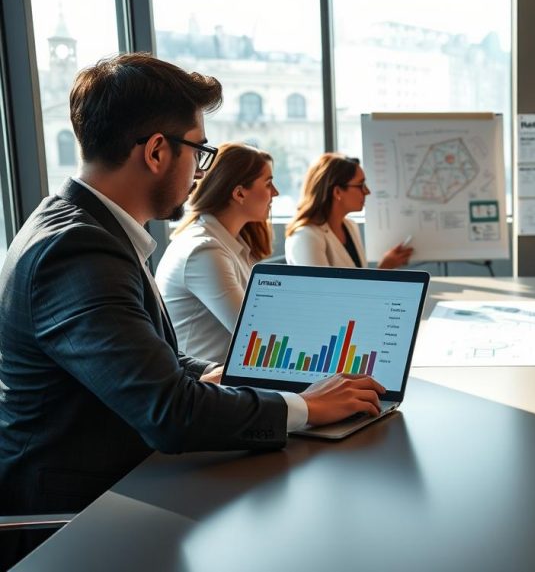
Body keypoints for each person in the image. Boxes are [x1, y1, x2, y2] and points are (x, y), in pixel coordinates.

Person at [0, 53, 384, 566]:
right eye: (199, 151)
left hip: (124, 487)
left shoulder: (85, 228)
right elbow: (169, 413)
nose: (201, 172)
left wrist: (212, 373)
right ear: (157, 151)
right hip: (75, 521)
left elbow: (146, 355)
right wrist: (308, 408)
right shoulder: (78, 250)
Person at [155, 143, 278, 362]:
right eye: (268, 183)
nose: (275, 193)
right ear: (239, 193)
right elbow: (256, 336)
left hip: (228, 375)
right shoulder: (204, 251)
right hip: (205, 380)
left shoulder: (234, 244)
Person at [285, 153, 413, 269]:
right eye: (360, 185)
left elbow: (358, 282)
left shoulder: (350, 226)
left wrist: (385, 267)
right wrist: (383, 269)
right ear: (337, 192)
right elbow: (322, 288)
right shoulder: (305, 237)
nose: (367, 192)